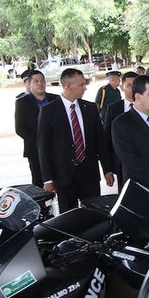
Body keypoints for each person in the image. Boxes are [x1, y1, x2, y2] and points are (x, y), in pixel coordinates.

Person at [38, 69, 114, 212]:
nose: (85, 87)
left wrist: (107, 169)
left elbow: (101, 142)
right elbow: (43, 148)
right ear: (68, 86)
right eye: (81, 84)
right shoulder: (49, 111)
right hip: (63, 175)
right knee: (68, 216)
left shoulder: (90, 108)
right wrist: (48, 180)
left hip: (89, 174)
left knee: (93, 214)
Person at [15, 70, 59, 187]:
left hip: (58, 149)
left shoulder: (56, 99)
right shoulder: (22, 102)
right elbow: (20, 128)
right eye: (36, 81)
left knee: (62, 181)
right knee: (40, 184)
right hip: (35, 151)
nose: (40, 84)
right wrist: (40, 144)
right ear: (29, 84)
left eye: (42, 81)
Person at [104, 71, 138, 190]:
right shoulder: (114, 109)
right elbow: (107, 139)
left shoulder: (148, 106)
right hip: (122, 164)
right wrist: (107, 169)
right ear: (122, 88)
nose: (132, 89)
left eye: (135, 85)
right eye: (128, 85)